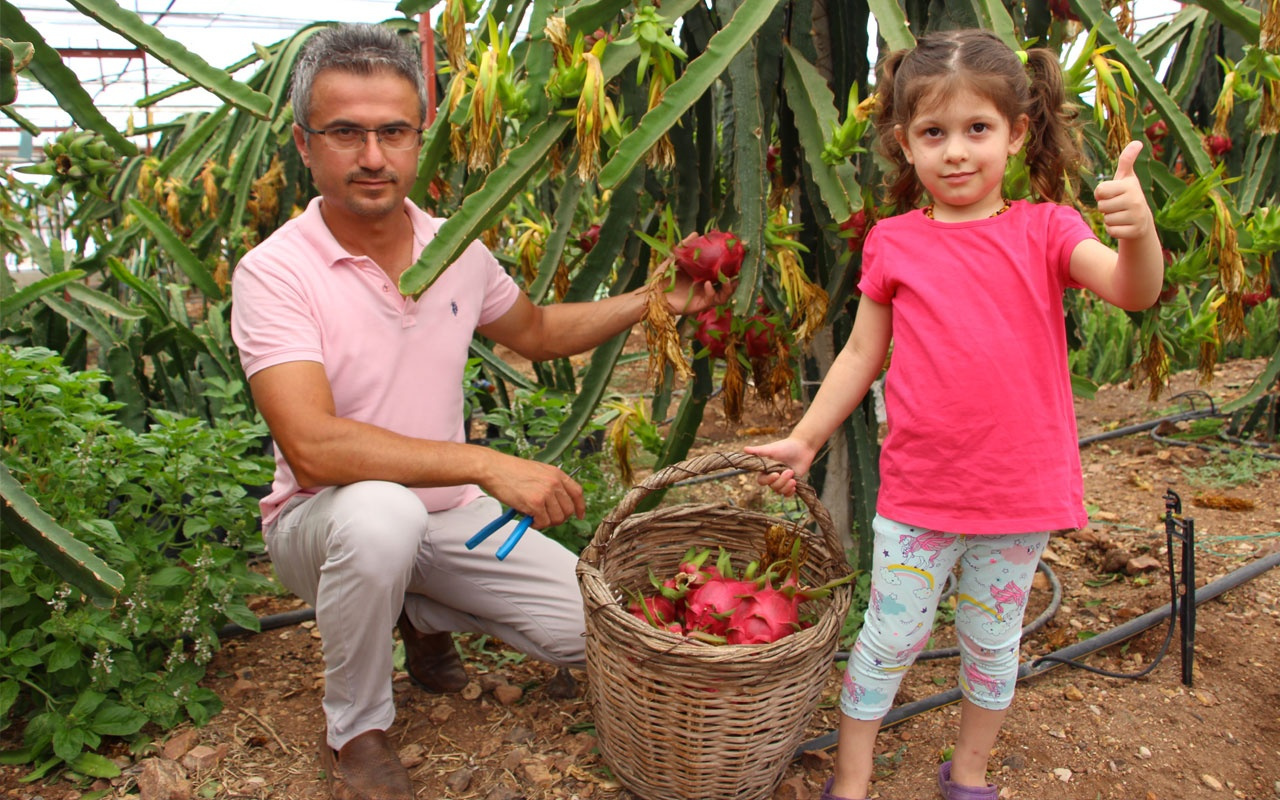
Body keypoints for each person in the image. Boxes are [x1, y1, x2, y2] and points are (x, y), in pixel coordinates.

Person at [229, 23, 731, 800]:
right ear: (304, 143)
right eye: (346, 133)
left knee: (588, 630)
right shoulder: (276, 273)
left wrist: (652, 300)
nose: (373, 156)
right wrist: (488, 461)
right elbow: (315, 449)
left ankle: (417, 616)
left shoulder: (454, 245)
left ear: (418, 138)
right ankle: (356, 729)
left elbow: (534, 331)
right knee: (379, 522)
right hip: (324, 522)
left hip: (448, 517)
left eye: (394, 132)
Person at [744, 28, 1163, 800]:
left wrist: (1139, 237)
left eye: (978, 129)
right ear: (905, 144)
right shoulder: (893, 241)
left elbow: (1132, 290)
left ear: (1017, 133)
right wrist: (806, 440)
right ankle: (852, 777)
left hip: (1015, 494)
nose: (958, 152)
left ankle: (967, 775)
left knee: (992, 646)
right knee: (888, 641)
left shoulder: (1047, 230)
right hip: (920, 493)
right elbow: (860, 355)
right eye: (935, 133)